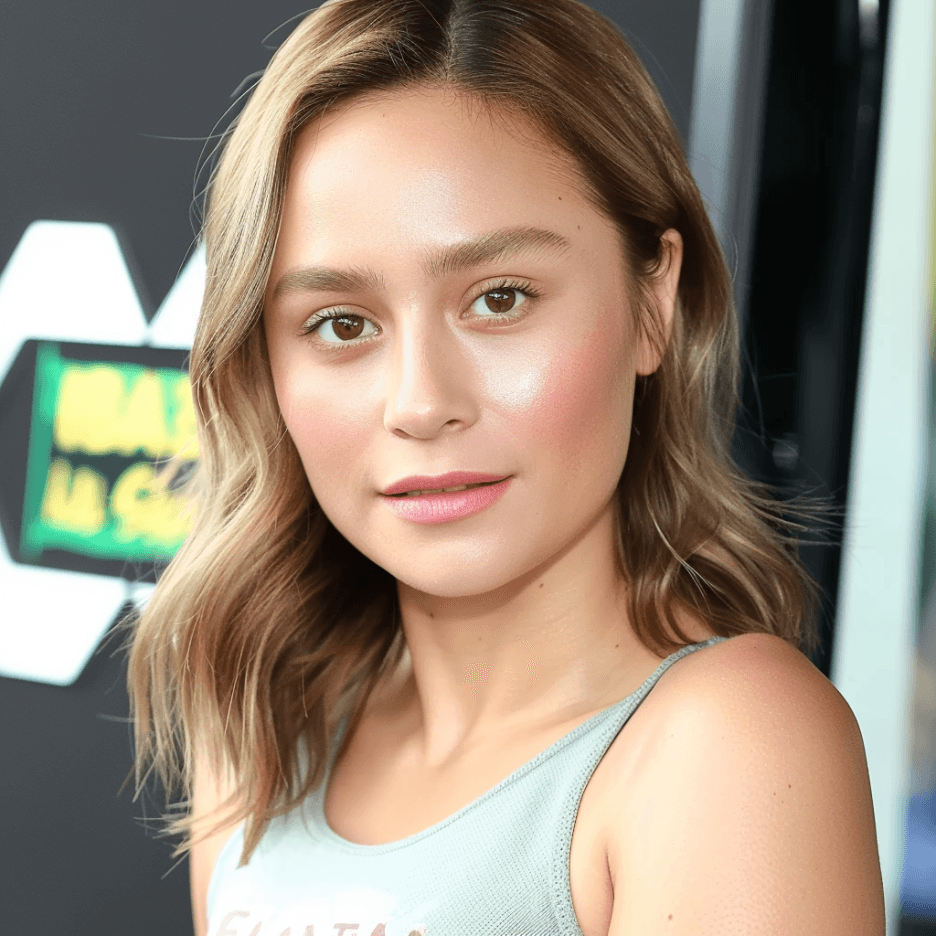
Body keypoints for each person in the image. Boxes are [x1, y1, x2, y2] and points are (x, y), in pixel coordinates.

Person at [126, 1, 886, 933]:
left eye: (499, 299)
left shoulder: (731, 746)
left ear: (655, 302)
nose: (419, 401)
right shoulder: (266, 727)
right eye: (342, 324)